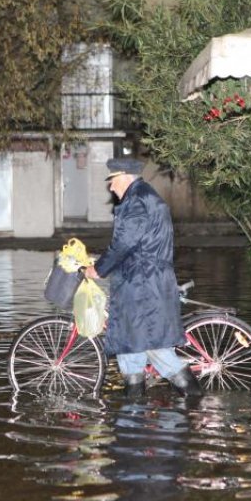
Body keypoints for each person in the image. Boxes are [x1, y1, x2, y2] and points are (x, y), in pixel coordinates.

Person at [84, 157, 202, 398]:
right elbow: (131, 243)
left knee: (153, 347)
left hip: (142, 286)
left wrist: (99, 269)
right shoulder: (143, 196)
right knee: (132, 346)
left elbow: (124, 243)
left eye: (113, 180)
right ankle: (133, 413)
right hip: (143, 282)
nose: (110, 186)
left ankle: (193, 401)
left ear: (125, 177)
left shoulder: (135, 202)